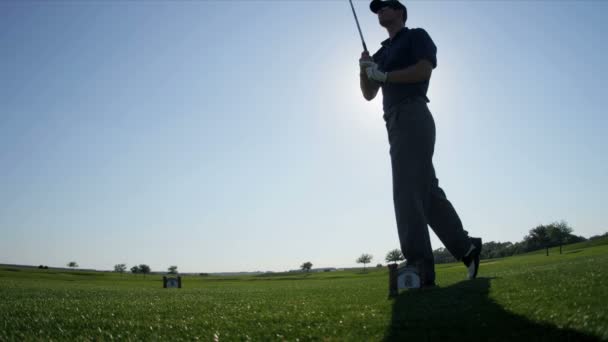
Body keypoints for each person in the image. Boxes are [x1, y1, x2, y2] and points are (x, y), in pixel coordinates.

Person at [359, 0, 482, 288]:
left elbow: (423, 71)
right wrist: (364, 68)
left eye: (385, 6)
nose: (380, 11)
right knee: (425, 191)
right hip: (393, 119)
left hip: (413, 113)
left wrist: (385, 75)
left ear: (400, 11)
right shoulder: (381, 52)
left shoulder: (416, 36)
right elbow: (368, 94)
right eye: (377, 9)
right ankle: (466, 248)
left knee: (406, 189)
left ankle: (418, 266)